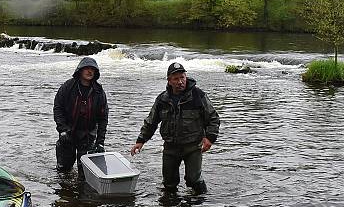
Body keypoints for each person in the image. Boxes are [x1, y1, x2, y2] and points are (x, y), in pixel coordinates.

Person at [130, 62, 220, 194]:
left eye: (182, 77)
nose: (180, 82)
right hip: (170, 147)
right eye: (176, 78)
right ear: (169, 80)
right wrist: (141, 140)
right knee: (169, 183)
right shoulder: (162, 99)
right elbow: (151, 122)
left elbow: (213, 118)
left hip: (193, 146)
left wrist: (210, 138)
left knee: (193, 180)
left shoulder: (198, 96)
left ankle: (201, 205)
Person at [54, 57, 109, 174]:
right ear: (80, 70)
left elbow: (103, 118)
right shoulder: (68, 87)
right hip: (67, 133)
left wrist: (100, 141)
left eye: (93, 70)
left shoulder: (99, 92)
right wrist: (62, 129)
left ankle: (82, 190)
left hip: (88, 136)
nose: (90, 72)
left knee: (85, 171)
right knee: (63, 170)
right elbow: (58, 108)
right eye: (87, 69)